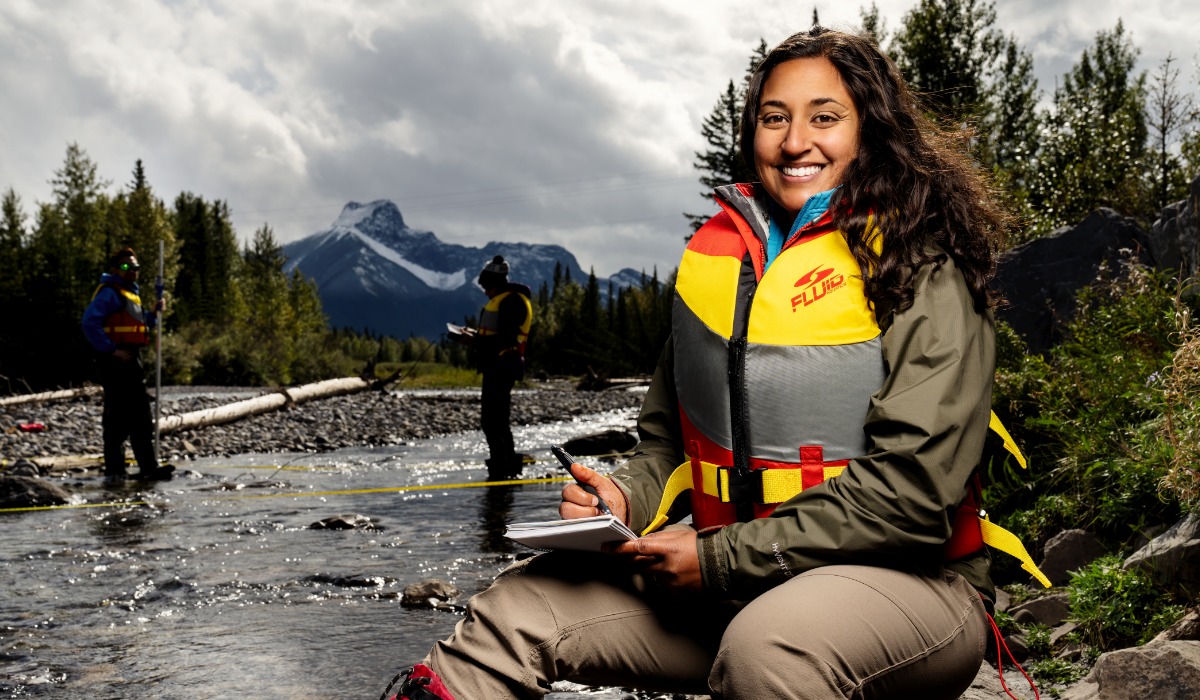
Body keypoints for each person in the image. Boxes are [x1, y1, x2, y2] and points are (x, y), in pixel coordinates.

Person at [380, 27, 1028, 700]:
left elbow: (913, 498)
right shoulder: (723, 269)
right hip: (732, 579)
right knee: (514, 612)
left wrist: (719, 559)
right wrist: (622, 495)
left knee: (770, 650)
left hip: (913, 590)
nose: (794, 141)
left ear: (874, 130)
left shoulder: (925, 266)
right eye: (774, 118)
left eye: (824, 118)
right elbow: (666, 442)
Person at [81, 247, 174, 485]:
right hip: (115, 361)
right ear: (114, 269)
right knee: (118, 414)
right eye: (126, 267)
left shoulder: (129, 294)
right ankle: (115, 471)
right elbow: (90, 323)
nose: (132, 271)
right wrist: (111, 349)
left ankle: (147, 468)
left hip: (131, 358)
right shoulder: (110, 293)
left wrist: (153, 315)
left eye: (135, 267)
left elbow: (137, 328)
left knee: (140, 415)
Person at [462, 255, 533, 480]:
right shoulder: (503, 298)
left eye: (485, 287)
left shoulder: (512, 301)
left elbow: (506, 339)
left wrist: (474, 341)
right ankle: (503, 467)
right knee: (494, 420)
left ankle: (504, 469)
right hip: (496, 366)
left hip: (503, 366)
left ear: (494, 283)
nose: (484, 291)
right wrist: (475, 337)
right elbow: (497, 336)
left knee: (495, 421)